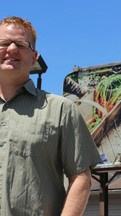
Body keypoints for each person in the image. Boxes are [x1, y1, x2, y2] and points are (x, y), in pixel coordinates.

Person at [0, 16, 101, 215]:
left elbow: (81, 177)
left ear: (34, 56)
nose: (11, 49)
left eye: (21, 44)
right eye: (3, 43)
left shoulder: (61, 109)